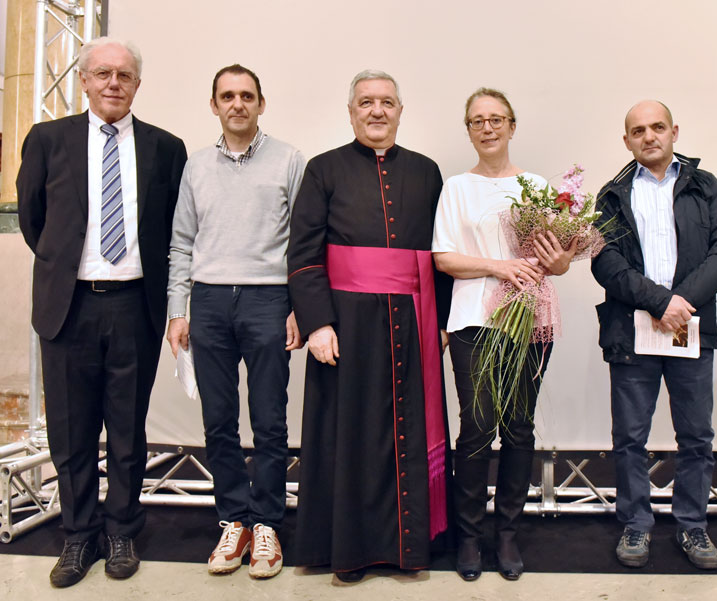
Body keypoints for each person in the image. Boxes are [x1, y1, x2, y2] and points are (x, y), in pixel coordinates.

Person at [16, 37, 187, 587]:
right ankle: (77, 535)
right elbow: (34, 221)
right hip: (69, 307)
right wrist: (70, 268)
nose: (114, 83)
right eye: (103, 74)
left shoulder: (167, 148)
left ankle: (120, 532)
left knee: (128, 431)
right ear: (84, 81)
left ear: (138, 84)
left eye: (125, 75)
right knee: (71, 432)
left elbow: (172, 230)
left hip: (134, 306)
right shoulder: (47, 139)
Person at [286, 70, 451, 583]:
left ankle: (408, 550)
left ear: (401, 110)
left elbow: (439, 256)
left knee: (406, 432)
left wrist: (441, 323)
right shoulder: (323, 169)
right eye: (366, 103)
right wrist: (317, 324)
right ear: (351, 111)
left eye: (386, 102)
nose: (376, 111)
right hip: (346, 323)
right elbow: (304, 253)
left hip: (411, 321)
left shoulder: (426, 171)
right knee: (349, 435)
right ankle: (350, 551)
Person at [431, 88, 576, 581]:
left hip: (528, 321)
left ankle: (507, 534)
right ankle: (469, 536)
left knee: (518, 429)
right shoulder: (456, 188)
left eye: (497, 119)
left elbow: (556, 259)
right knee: (476, 429)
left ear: (512, 126)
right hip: (472, 322)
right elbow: (443, 258)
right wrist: (500, 266)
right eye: (477, 121)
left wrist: (560, 260)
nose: (487, 127)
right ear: (468, 130)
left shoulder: (535, 186)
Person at [166, 64, 305, 579]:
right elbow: (181, 242)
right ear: (214, 105)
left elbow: (303, 243)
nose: (237, 104)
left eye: (247, 95)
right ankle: (234, 520)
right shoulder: (197, 166)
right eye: (227, 96)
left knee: (270, 419)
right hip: (208, 301)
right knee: (218, 420)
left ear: (261, 104)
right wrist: (178, 310)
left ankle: (267, 523)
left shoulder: (290, 160)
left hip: (269, 300)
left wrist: (299, 307)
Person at [591, 100, 717, 570]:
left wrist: (681, 304)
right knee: (630, 437)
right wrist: (659, 302)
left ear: (674, 131)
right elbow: (605, 261)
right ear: (627, 140)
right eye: (638, 130)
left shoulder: (705, 186)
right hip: (631, 332)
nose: (649, 136)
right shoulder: (611, 195)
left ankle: (693, 525)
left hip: (691, 330)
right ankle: (636, 524)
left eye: (657, 127)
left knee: (696, 436)